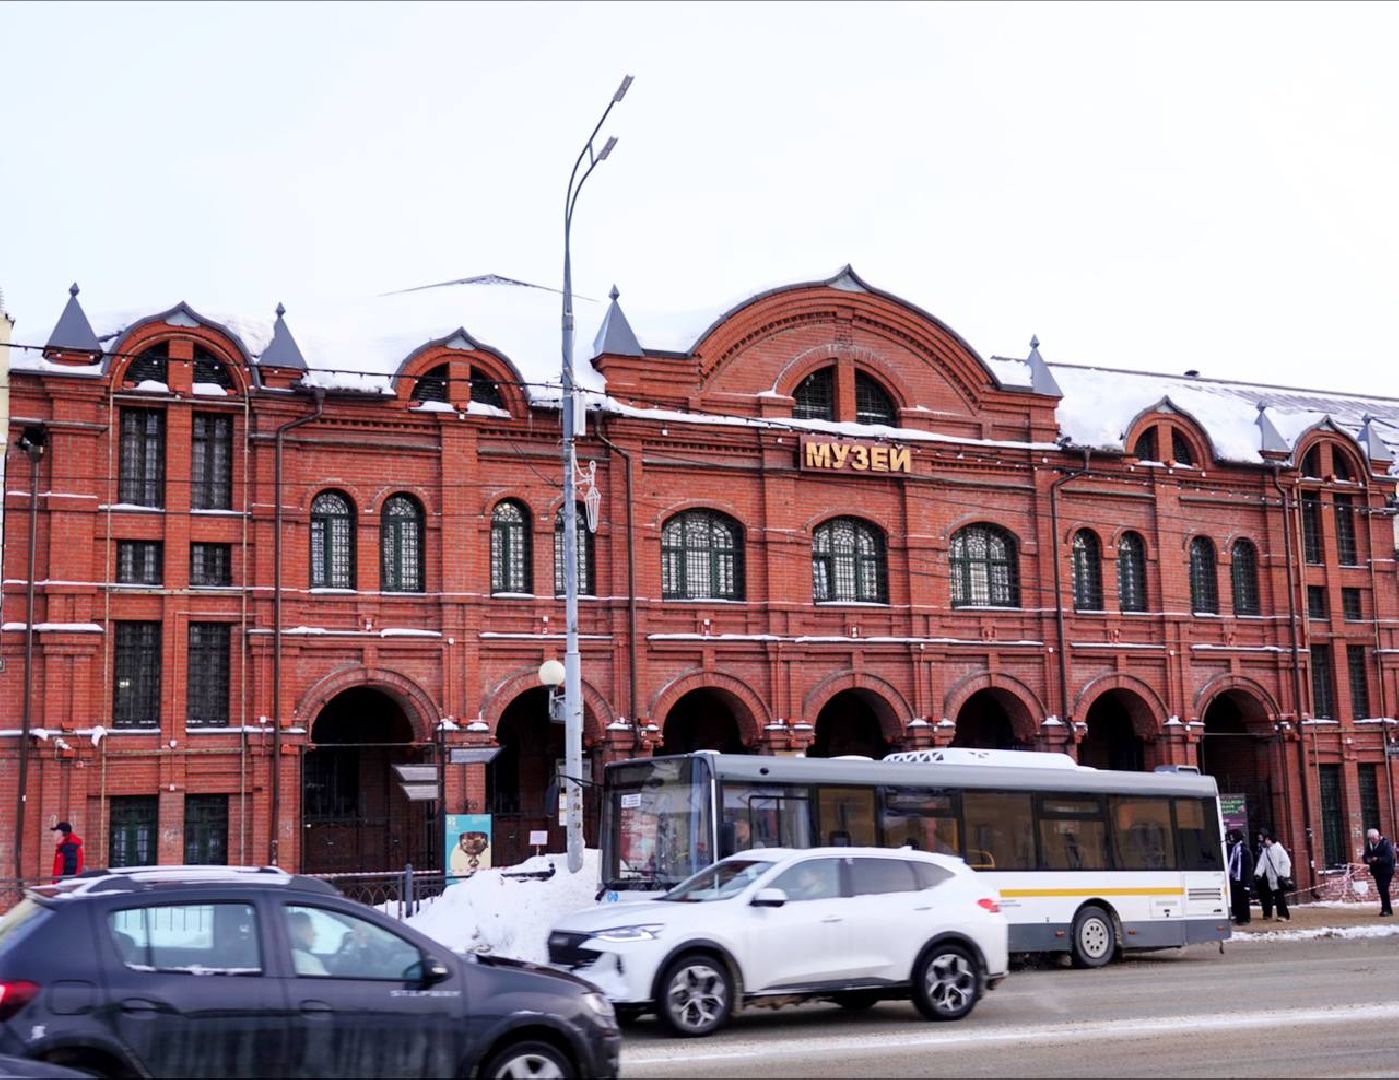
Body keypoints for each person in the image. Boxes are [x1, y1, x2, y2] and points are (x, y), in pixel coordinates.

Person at [1254, 830, 1291, 921]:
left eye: (1268, 839)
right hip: (1270, 878)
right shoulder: (1266, 851)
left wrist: (1283, 874)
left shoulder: (1279, 849)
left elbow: (1286, 862)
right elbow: (1261, 863)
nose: (1266, 841)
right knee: (1275, 897)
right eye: (1266, 840)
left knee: (1280, 897)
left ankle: (1283, 915)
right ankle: (1278, 914)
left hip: (1278, 877)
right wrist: (1258, 873)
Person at [1362, 827, 1395, 917]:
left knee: (1384, 889)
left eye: (1373, 838)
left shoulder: (1386, 844)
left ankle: (1387, 910)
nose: (1372, 840)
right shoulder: (1369, 845)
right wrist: (1367, 860)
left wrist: (1378, 859)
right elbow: (1365, 856)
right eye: (1370, 839)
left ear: (1377, 836)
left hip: (1386, 871)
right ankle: (1385, 908)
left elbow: (1389, 858)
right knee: (1381, 890)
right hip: (1377, 871)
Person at [286, 911, 329, 976]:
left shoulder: (289, 956)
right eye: (310, 928)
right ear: (301, 930)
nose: (315, 934)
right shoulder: (305, 961)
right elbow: (328, 984)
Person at [1226, 829, 1253, 924]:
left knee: (1243, 899)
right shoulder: (1233, 849)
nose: (1230, 838)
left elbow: (1247, 867)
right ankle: (1238, 916)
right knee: (1236, 898)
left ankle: (1244, 918)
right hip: (1234, 877)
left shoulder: (1244, 850)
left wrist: (1247, 882)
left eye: (1232, 836)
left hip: (1242, 878)